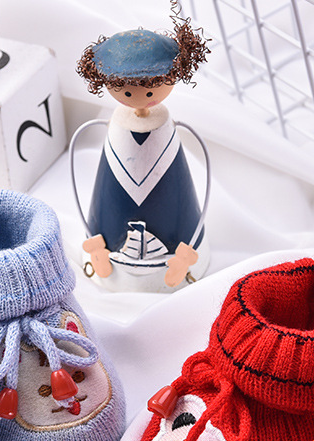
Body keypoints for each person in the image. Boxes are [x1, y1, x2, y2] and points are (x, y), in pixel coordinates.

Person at [75, 7, 210, 290]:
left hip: (178, 241)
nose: (142, 96)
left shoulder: (164, 126)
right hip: (110, 249)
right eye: (127, 90)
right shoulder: (118, 126)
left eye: (150, 90)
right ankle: (102, 254)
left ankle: (182, 258)